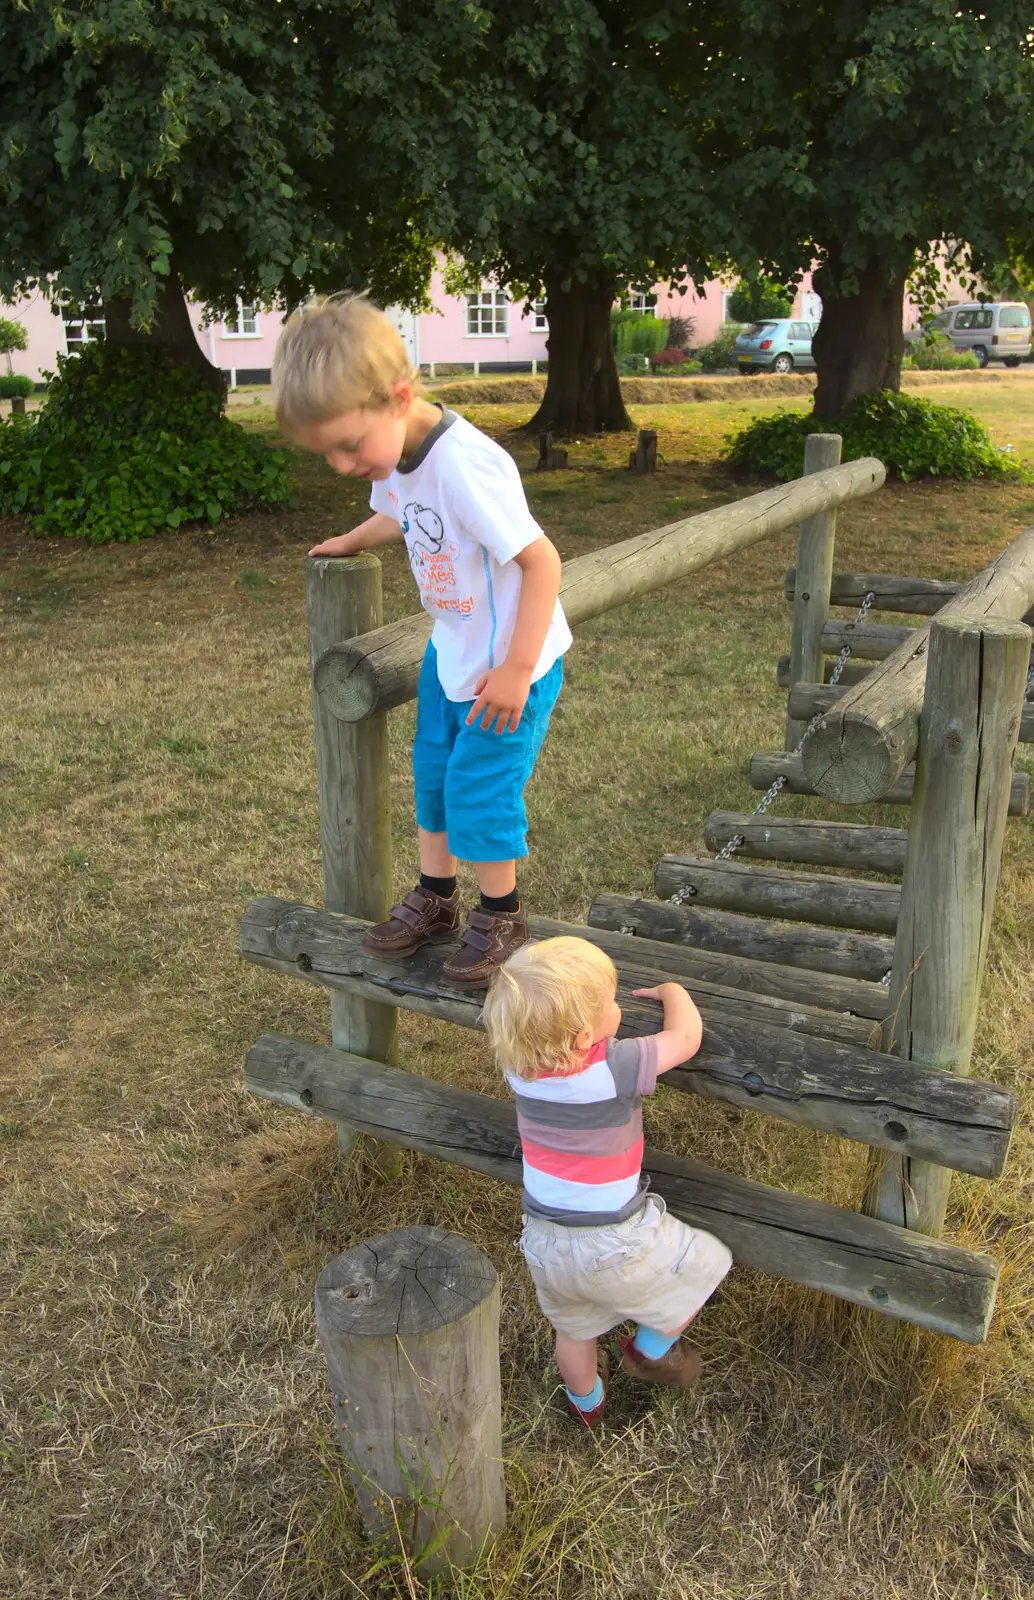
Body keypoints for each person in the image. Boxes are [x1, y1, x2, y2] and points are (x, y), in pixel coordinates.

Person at [272, 295, 571, 987]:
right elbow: (399, 514)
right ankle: (437, 899)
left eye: (349, 445)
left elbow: (541, 562)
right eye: (328, 454)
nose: (343, 464)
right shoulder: (396, 455)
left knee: (479, 785)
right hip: (453, 650)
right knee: (433, 774)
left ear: (399, 398)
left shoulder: (465, 464)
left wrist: (518, 668)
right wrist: (351, 538)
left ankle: (503, 914)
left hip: (508, 663)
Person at [483, 937, 732, 1428]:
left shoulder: (518, 1070)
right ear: (581, 1037)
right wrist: (672, 990)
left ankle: (588, 1403)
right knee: (703, 1265)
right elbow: (686, 1039)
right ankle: (648, 1350)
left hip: (543, 1239)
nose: (616, 1008)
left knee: (573, 1331)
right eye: (609, 1004)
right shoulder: (612, 1069)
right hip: (613, 1239)